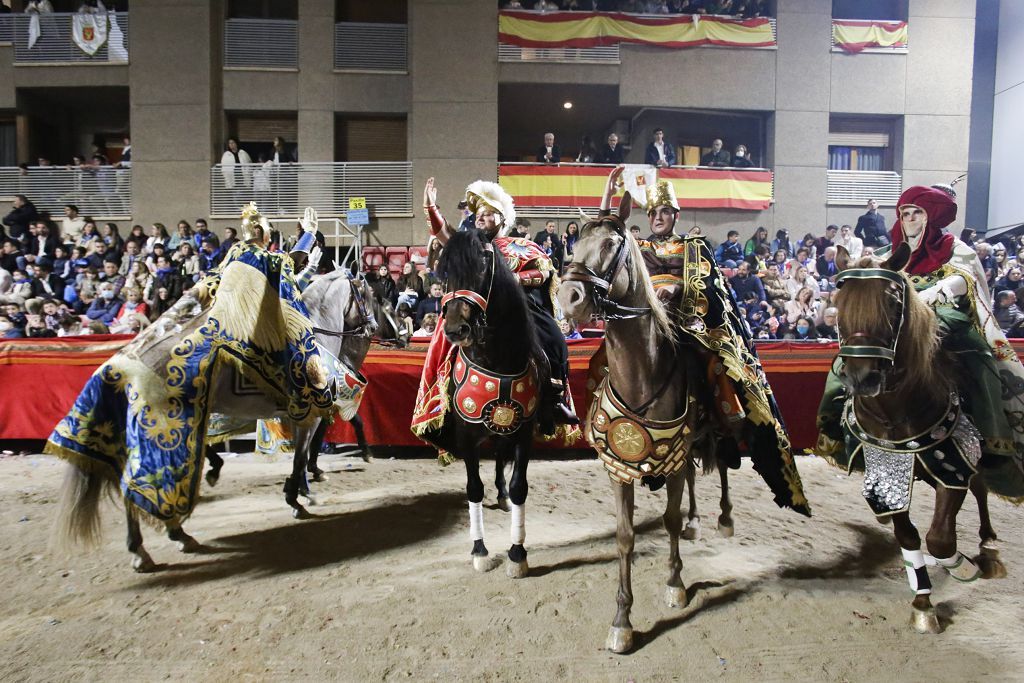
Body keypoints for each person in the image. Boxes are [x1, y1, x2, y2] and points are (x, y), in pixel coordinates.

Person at [595, 165, 805, 505]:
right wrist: (608, 190)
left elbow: (710, 286)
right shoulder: (636, 245)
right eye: (654, 212)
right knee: (607, 362)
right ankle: (610, 422)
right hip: (643, 324)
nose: (659, 217)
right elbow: (605, 230)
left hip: (685, 323)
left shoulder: (694, 246)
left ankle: (724, 424)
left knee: (714, 363)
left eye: (665, 211)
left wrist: (676, 288)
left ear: (676, 214)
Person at [818, 184, 1024, 505]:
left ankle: (994, 439)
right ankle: (835, 421)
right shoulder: (889, 252)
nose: (910, 219)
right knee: (854, 351)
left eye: (916, 213)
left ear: (929, 217)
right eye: (905, 213)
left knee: (981, 357)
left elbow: (965, 279)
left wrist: (935, 293)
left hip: (947, 316)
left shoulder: (955, 248)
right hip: (902, 318)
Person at [418, 177, 579, 431]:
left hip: (520, 308)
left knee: (556, 342)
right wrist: (430, 207)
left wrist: (517, 278)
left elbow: (545, 272)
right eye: (478, 214)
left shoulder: (523, 246)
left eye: (488, 214)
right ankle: (444, 404)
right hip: (479, 309)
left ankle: (553, 401)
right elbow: (443, 233)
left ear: (502, 218)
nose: (480, 218)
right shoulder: (470, 245)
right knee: (447, 345)